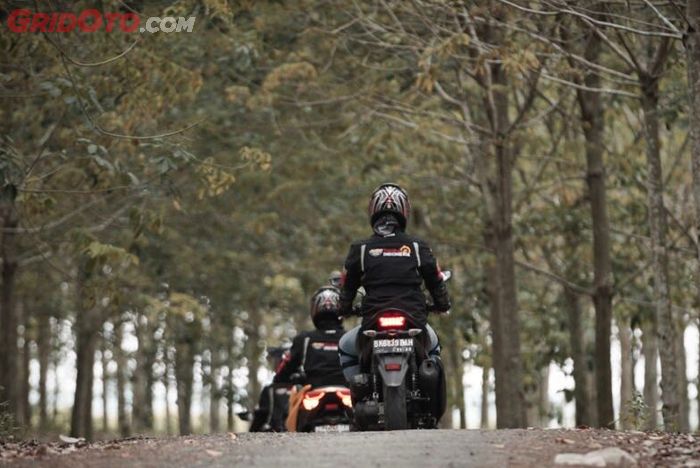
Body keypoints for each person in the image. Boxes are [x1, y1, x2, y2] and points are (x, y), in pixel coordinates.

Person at [337, 183, 451, 403]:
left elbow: (348, 287)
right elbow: (436, 281)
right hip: (414, 319)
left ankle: (359, 396)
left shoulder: (360, 249)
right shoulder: (418, 247)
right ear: (404, 211)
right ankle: (432, 400)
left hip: (372, 322)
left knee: (345, 347)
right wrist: (442, 304)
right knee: (434, 349)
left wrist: (344, 309)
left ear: (373, 211)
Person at [273, 286, 346, 388]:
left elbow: (283, 372)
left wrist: (284, 379)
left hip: (312, 395)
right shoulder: (350, 337)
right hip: (348, 394)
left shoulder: (304, 339)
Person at [249, 346, 291, 432]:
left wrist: (252, 432)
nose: (273, 364)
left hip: (275, 431)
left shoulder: (270, 390)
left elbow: (261, 415)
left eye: (275, 361)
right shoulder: (304, 386)